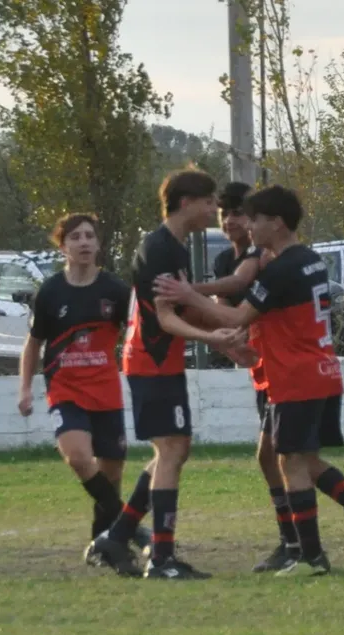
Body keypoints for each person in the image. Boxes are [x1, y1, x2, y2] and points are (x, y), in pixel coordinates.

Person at [155, 185, 344, 577]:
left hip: (295, 376)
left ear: (277, 223)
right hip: (318, 371)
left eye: (255, 219)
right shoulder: (308, 260)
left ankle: (310, 556)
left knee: (291, 462)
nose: (249, 226)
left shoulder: (283, 269)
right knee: (299, 459)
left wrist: (187, 294)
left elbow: (237, 317)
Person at [84, 169, 244, 580]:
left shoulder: (174, 247)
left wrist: (221, 337)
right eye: (208, 201)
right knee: (172, 450)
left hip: (161, 362)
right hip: (150, 361)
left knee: (174, 450)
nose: (214, 209)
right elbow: (166, 318)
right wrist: (213, 338)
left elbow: (182, 309)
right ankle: (162, 558)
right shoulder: (159, 249)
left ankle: (117, 537)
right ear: (186, 203)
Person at [17, 213, 151, 560]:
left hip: (106, 390)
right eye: (75, 237)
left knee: (111, 475)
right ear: (63, 247)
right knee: (77, 457)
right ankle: (133, 529)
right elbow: (33, 343)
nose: (84, 242)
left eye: (90, 236)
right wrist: (25, 389)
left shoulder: (114, 290)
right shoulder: (51, 292)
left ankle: (103, 546)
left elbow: (138, 331)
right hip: (66, 390)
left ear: (98, 243)